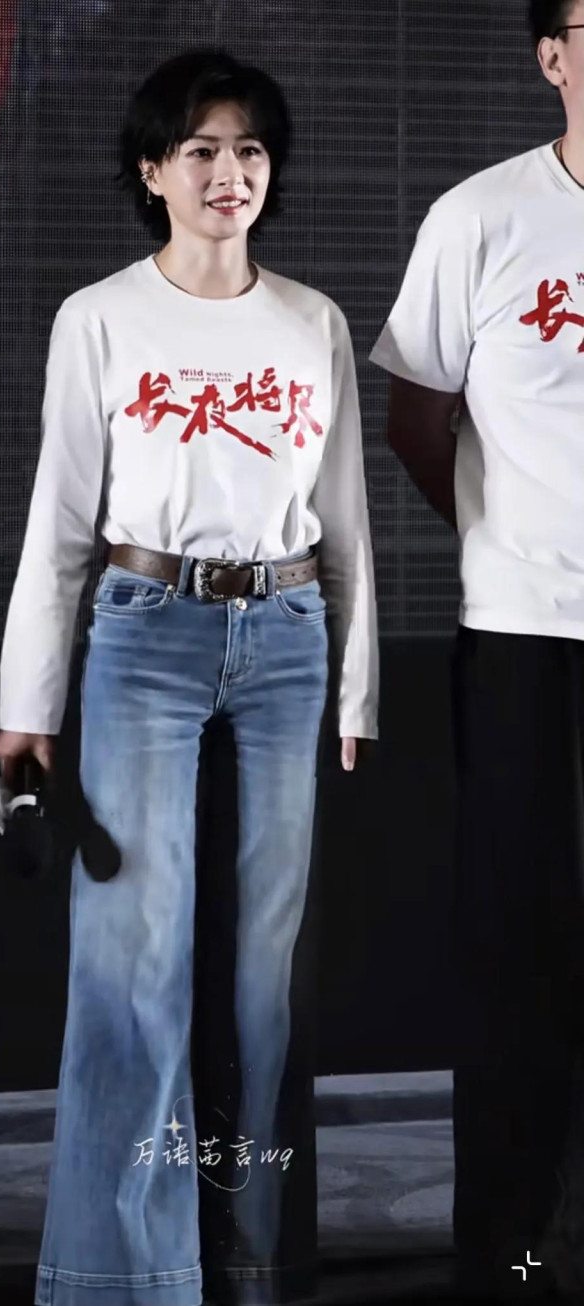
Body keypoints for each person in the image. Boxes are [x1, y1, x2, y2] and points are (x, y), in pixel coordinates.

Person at [0, 48, 378, 1306]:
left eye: (250, 148)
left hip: (288, 637)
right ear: (153, 170)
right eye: (202, 149)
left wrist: (356, 685)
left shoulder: (313, 323)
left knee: (265, 980)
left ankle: (254, 1265)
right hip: (144, 634)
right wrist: (26, 711)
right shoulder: (100, 319)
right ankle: (126, 1277)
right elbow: (60, 524)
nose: (229, 171)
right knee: (133, 962)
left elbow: (345, 520)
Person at [369, 0, 584, 1297]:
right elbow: (415, 420)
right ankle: (511, 1252)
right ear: (554, 56)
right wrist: (502, 537)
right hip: (526, 637)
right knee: (521, 949)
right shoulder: (482, 217)